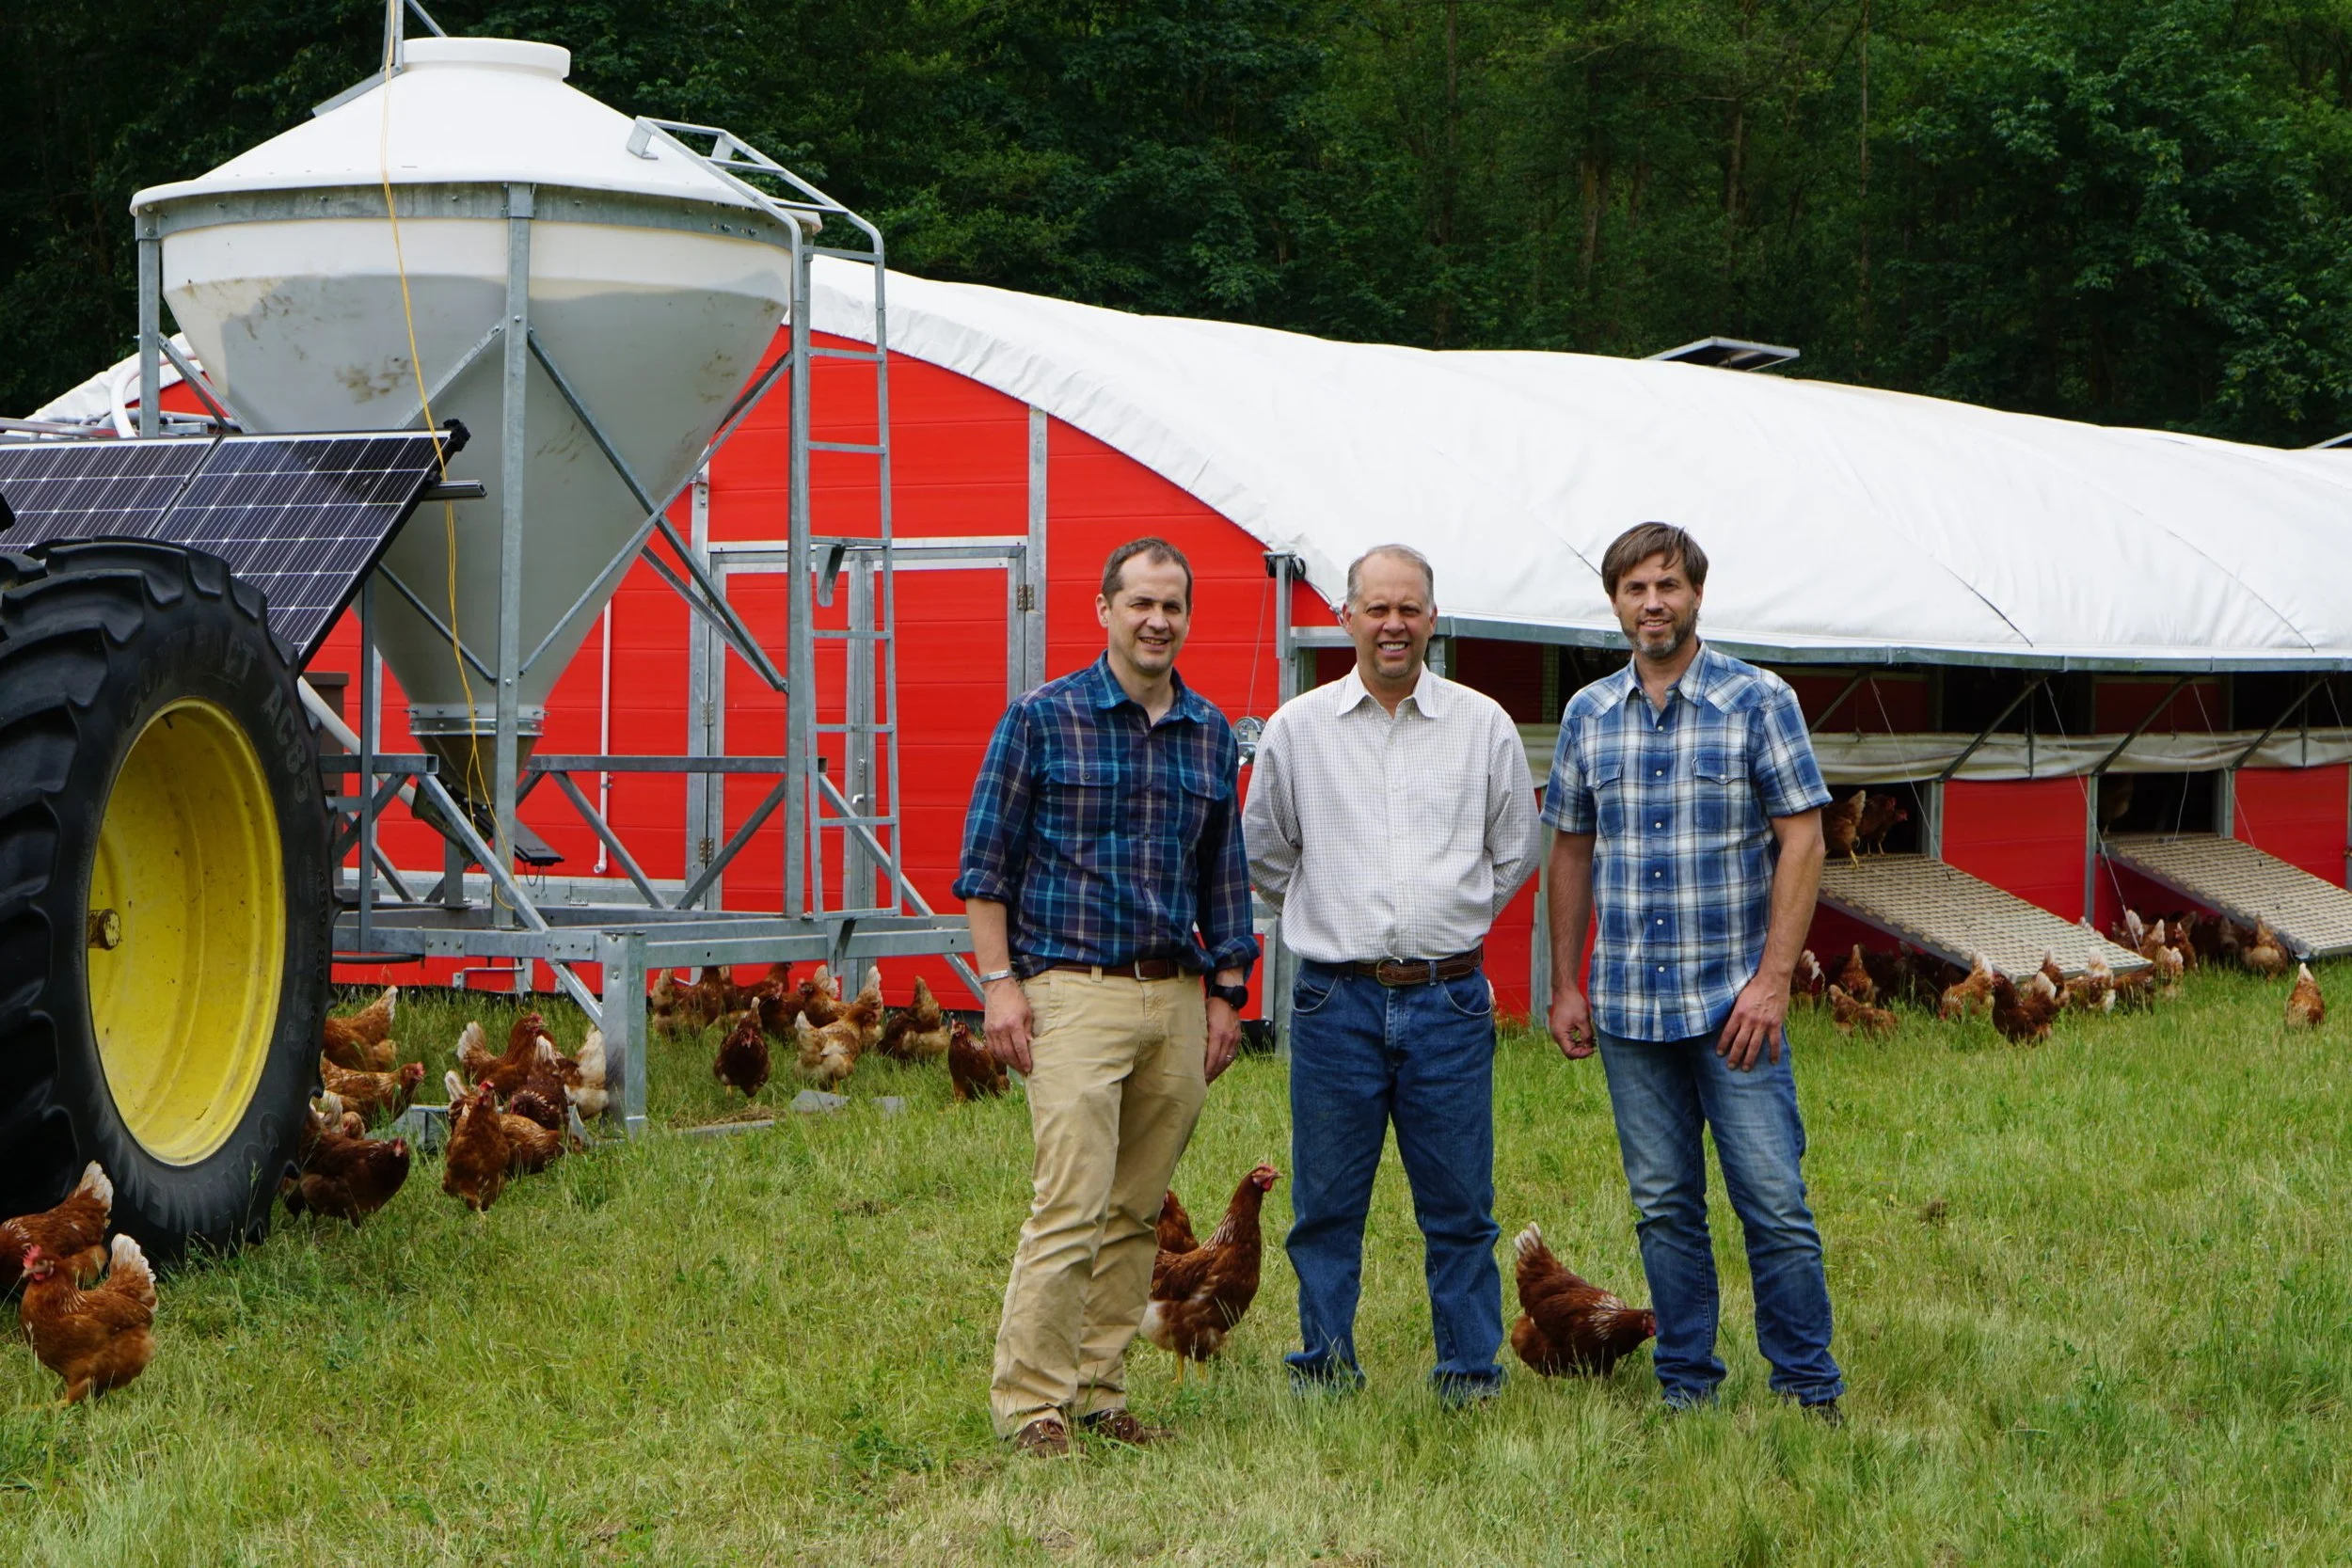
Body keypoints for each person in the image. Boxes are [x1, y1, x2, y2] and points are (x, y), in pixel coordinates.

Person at [955, 536, 1257, 1456]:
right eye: (1140, 603)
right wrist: (1000, 985)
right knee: (1069, 1201)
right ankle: (1032, 1406)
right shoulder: (1040, 720)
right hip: (1070, 992)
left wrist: (1229, 991)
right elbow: (983, 866)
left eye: (1173, 605)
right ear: (1104, 609)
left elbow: (1224, 874)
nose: (1157, 620)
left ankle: (1097, 1390)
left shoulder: (1207, 730)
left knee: (1136, 1210)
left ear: (1186, 617)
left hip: (1174, 997)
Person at [1541, 521, 1845, 1418]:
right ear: (1615, 604)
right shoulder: (1588, 714)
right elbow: (1569, 848)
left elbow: (1804, 839)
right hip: (1631, 1006)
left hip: (1734, 1007)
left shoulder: (1758, 699)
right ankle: (1687, 1383)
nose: (1653, 603)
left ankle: (1805, 1384)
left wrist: (1774, 980)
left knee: (1773, 1202)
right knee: (1665, 1207)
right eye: (1635, 589)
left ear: (1697, 594)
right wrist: (1565, 981)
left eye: (1667, 585)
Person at [1243, 544, 1540, 1401]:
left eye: (1409, 608)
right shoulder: (1298, 730)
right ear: (1346, 618)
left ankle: (1468, 1374)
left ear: (1432, 620)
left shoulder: (1482, 725)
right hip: (1335, 996)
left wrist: (1446, 911)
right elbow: (1265, 853)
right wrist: (1339, 907)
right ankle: (1326, 1371)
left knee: (1459, 1208)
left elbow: (1513, 848)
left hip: (1448, 996)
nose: (1393, 625)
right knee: (1326, 1206)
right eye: (1376, 608)